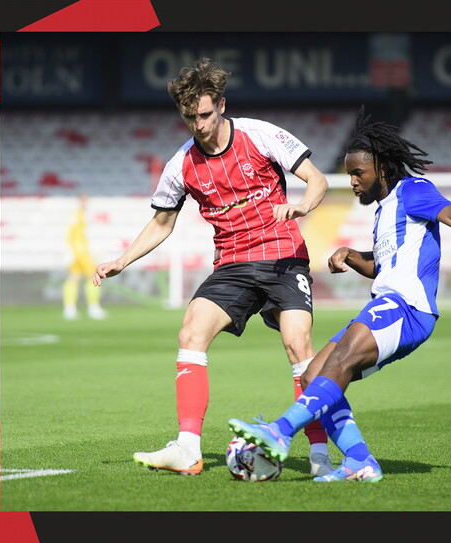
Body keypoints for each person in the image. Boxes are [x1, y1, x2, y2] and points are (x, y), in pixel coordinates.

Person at [228, 106, 451, 482]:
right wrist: (353, 257)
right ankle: (360, 461)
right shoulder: (383, 211)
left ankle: (278, 432)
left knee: (338, 361)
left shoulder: (414, 191)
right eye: (350, 174)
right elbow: (385, 265)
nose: (353, 181)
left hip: (407, 307)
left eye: (358, 173)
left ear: (383, 169)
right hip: (386, 304)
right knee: (313, 375)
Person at [93, 58, 333, 476]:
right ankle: (188, 448)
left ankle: (318, 452)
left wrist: (302, 206)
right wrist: (122, 260)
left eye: (205, 114)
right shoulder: (180, 165)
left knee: (298, 345)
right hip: (233, 264)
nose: (199, 125)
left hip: (282, 254)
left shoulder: (260, 134)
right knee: (191, 330)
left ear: (221, 105)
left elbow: (317, 179)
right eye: (190, 117)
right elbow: (163, 222)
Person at [63, 193, 107, 320]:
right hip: (81, 251)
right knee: (92, 276)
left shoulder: (79, 215)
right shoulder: (77, 215)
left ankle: (69, 309)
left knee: (73, 278)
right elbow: (72, 234)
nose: (86, 203)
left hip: (77, 251)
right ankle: (93, 308)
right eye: (84, 201)